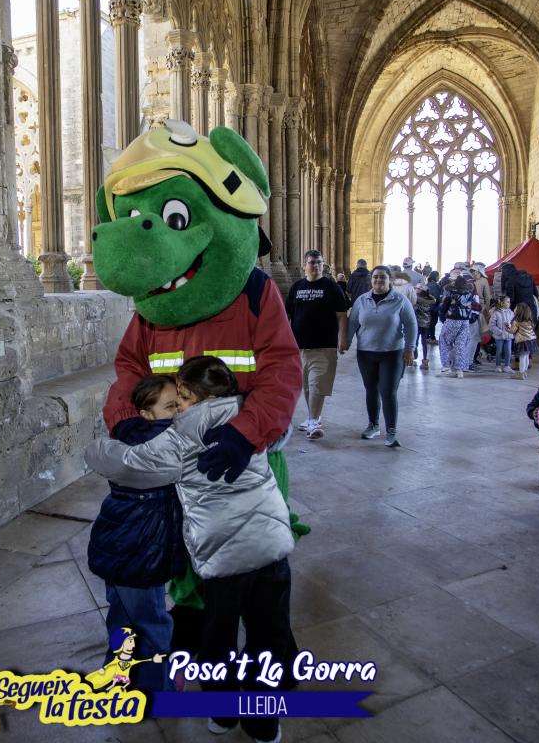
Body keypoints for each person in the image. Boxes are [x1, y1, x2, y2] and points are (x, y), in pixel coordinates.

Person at [85, 357, 296, 743]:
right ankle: (264, 723)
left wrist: (105, 443)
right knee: (270, 637)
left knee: (217, 641)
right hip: (271, 550)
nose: (179, 406)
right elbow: (282, 432)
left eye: (182, 397)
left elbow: (128, 464)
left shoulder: (182, 435)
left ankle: (223, 713)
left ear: (203, 399)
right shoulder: (251, 416)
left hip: (225, 560)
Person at [86, 375, 183, 692]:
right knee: (153, 624)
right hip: (140, 553)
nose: (179, 412)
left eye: (181, 404)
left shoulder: (128, 438)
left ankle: (116, 684)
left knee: (122, 620)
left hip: (117, 547)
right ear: (146, 413)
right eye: (171, 406)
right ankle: (158, 692)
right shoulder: (164, 447)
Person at [348, 267, 417, 445]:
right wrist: (345, 342)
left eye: (383, 277)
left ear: (389, 280)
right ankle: (373, 425)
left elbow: (411, 324)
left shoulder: (400, 300)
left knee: (387, 391)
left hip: (392, 353)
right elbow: (353, 322)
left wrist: (410, 348)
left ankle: (391, 431)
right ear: (371, 280)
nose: (379, 280)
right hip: (366, 353)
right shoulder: (362, 300)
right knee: (371, 389)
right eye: (376, 277)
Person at [285, 250, 349, 439]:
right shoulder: (297, 287)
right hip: (299, 346)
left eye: (319, 262)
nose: (316, 266)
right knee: (306, 385)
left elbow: (341, 315)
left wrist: (343, 338)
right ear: (304, 265)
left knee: (317, 385)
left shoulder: (331, 287)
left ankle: (314, 421)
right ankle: (313, 416)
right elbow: (287, 314)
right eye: (312, 262)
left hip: (324, 345)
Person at [438, 275, 479, 377]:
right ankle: (460, 369)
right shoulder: (469, 294)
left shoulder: (451, 294)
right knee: (461, 344)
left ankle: (446, 366)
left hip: (452, 320)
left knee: (444, 341)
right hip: (465, 322)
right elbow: (477, 306)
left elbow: (444, 308)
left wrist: (442, 315)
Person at [511, 302, 539, 379]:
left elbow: (512, 331)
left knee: (522, 357)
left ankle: (521, 374)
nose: (514, 309)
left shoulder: (516, 321)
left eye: (516, 308)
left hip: (522, 342)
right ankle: (524, 372)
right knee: (526, 357)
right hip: (531, 341)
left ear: (519, 311)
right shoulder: (529, 321)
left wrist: (507, 328)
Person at [413, 283, 437, 370]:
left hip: (418, 323)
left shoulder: (416, 299)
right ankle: (425, 361)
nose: (416, 289)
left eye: (417, 288)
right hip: (427, 323)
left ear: (421, 290)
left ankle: (413, 357)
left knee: (415, 341)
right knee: (424, 343)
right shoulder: (430, 300)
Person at [490, 295, 516, 373]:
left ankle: (507, 366)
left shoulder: (511, 313)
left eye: (509, 302)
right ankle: (498, 366)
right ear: (502, 303)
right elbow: (491, 325)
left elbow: (514, 323)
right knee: (499, 351)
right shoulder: (496, 313)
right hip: (499, 336)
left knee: (508, 351)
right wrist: (499, 332)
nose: (509, 303)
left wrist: (511, 328)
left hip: (509, 335)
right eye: (507, 302)